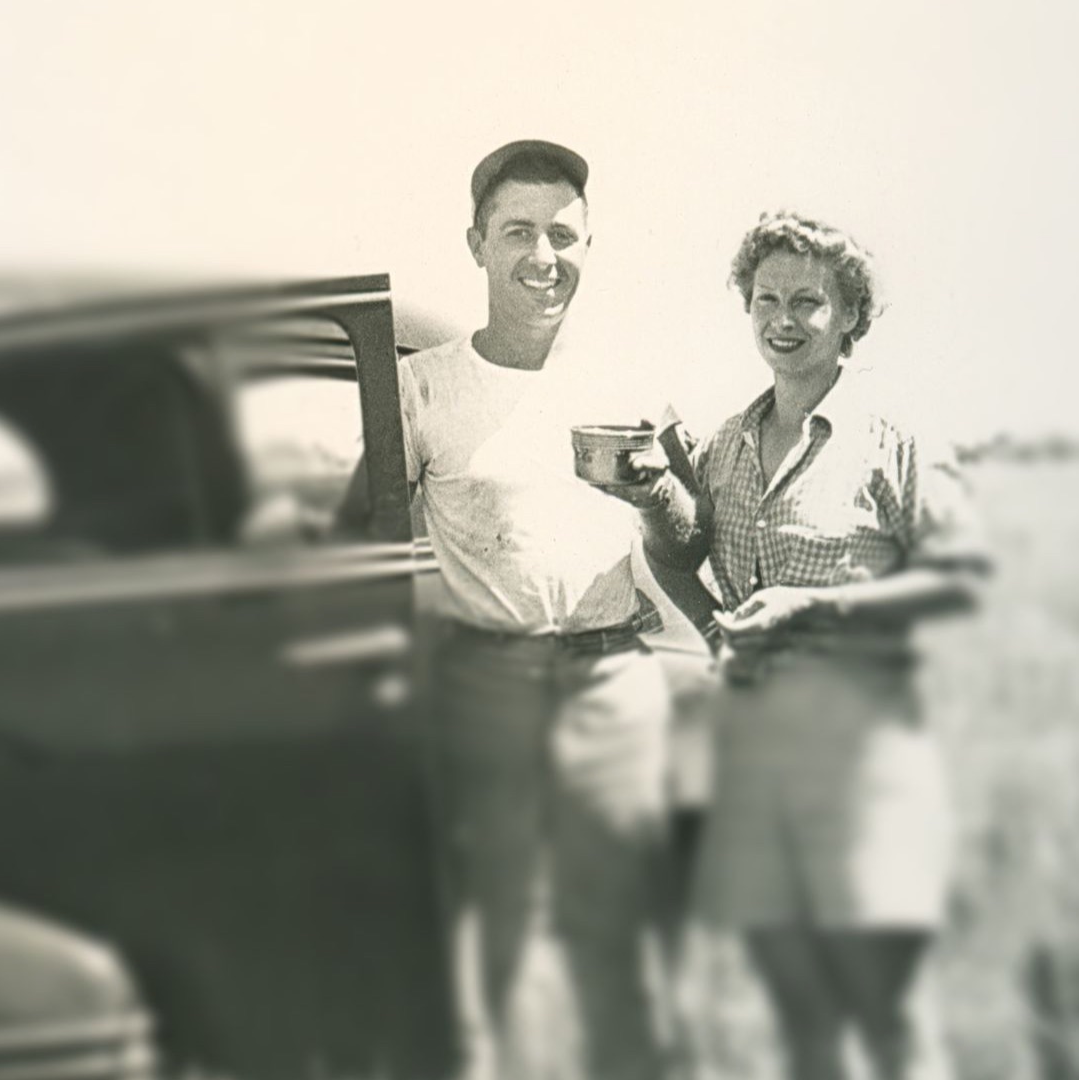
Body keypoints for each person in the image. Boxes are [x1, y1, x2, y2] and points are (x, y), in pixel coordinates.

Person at [625, 210, 991, 1080]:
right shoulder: (727, 442)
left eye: (807, 302)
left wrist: (810, 609)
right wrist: (657, 513)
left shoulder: (894, 437)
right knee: (800, 1012)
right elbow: (676, 553)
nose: (782, 321)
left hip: (864, 749)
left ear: (851, 316)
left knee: (888, 1009)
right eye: (764, 300)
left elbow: (963, 577)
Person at [391, 139, 688, 1080]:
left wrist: (655, 495)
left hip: (613, 678)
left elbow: (687, 541)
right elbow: (356, 528)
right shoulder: (422, 385)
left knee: (628, 952)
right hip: (486, 680)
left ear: (591, 245)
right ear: (476, 242)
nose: (541, 256)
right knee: (487, 952)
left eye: (563, 234)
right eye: (517, 231)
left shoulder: (633, 378)